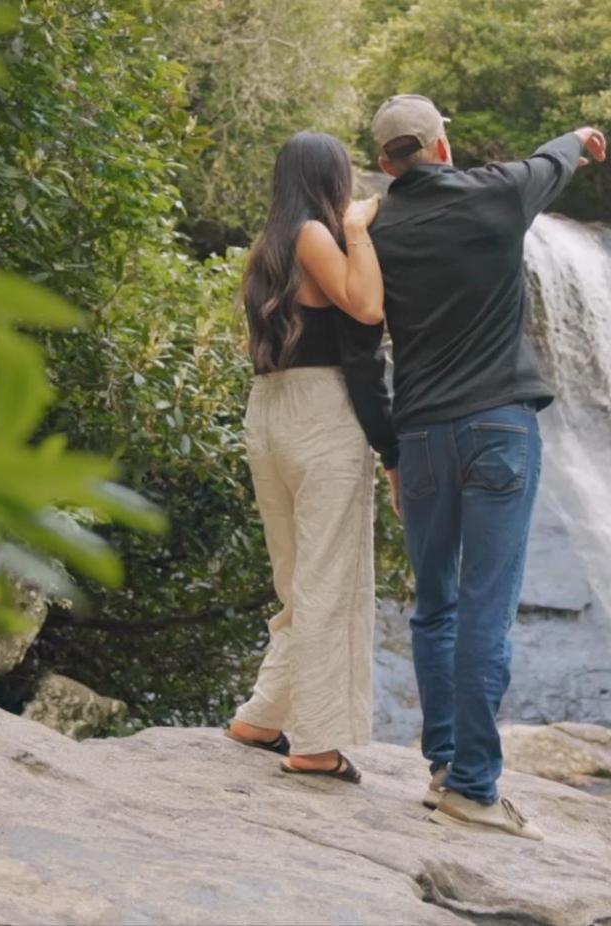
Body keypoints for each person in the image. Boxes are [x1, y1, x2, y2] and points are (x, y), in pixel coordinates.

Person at [368, 95, 607, 838]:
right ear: (444, 145)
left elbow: (360, 343)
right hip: (500, 427)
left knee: (433, 605)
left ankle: (443, 766)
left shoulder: (375, 227)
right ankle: (474, 787)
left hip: (421, 439)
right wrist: (577, 136)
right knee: (486, 608)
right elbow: (552, 160)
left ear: (384, 163)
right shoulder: (499, 193)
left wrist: (391, 453)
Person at [225, 131, 398, 786]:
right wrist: (357, 225)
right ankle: (317, 744)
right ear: (329, 180)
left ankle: (263, 715)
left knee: (297, 576)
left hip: (269, 409)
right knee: (329, 577)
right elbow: (367, 304)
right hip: (321, 413)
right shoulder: (314, 236)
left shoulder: (267, 245)